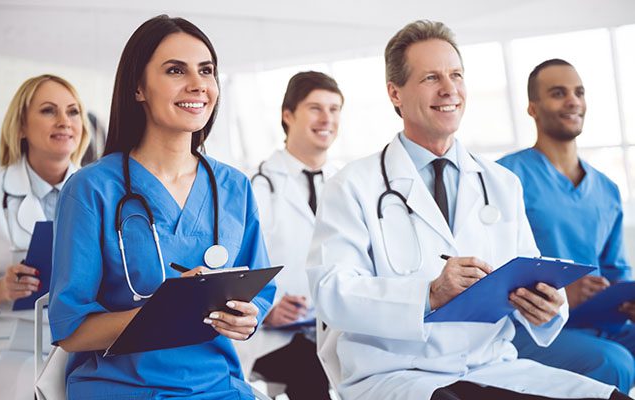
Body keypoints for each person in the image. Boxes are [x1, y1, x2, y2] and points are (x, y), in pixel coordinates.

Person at [306, 20, 630, 400]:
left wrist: (546, 307)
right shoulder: (353, 185)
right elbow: (332, 292)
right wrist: (428, 293)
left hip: (491, 365)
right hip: (397, 372)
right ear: (396, 93)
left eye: (456, 75)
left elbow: (529, 272)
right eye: (431, 78)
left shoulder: (500, 183)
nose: (449, 89)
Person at [47, 15, 275, 399]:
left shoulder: (234, 186)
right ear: (138, 87)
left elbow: (258, 293)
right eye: (175, 70)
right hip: (120, 389)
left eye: (207, 70)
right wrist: (166, 310)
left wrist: (247, 320)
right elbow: (71, 331)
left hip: (220, 387)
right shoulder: (91, 189)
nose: (198, 85)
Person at [497, 59, 635, 392]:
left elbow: (617, 269)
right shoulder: (504, 178)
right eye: (558, 93)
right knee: (614, 363)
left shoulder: (606, 189)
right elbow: (492, 270)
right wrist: (562, 295)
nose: (573, 101)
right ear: (533, 108)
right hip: (532, 326)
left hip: (601, 321)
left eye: (579, 92)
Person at [236, 71, 342, 399]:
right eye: (315, 108)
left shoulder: (347, 185)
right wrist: (266, 307)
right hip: (273, 334)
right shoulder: (252, 185)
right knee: (310, 375)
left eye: (335, 109)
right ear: (288, 115)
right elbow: (234, 263)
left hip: (336, 328)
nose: (327, 119)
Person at [0, 74, 89, 400]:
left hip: (83, 337)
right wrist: (1, 288)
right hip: (10, 336)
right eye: (48, 111)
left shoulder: (101, 191)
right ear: (21, 127)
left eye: (73, 112)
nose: (64, 121)